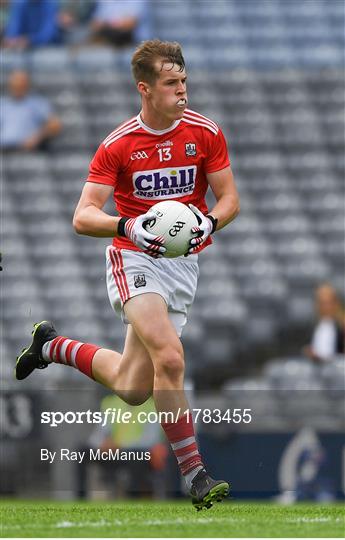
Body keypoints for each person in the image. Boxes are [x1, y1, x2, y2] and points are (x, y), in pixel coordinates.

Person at [15, 39, 240, 510]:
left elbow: (229, 200)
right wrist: (129, 226)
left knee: (133, 388)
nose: (182, 90)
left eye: (184, 81)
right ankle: (195, 474)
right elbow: (83, 216)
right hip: (133, 257)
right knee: (171, 359)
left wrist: (209, 223)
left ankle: (52, 345)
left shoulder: (206, 132)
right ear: (145, 88)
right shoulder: (118, 145)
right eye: (171, 83)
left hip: (182, 263)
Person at [1, 70, 62, 151]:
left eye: (21, 84)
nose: (17, 87)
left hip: (26, 152)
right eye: (15, 84)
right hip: (3, 151)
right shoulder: (2, 103)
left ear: (27, 85)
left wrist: (37, 137)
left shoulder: (38, 103)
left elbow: (55, 125)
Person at [303, 283, 344, 363]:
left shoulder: (341, 326)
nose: (325, 307)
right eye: (321, 303)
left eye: (328, 303)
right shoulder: (311, 326)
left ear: (336, 303)